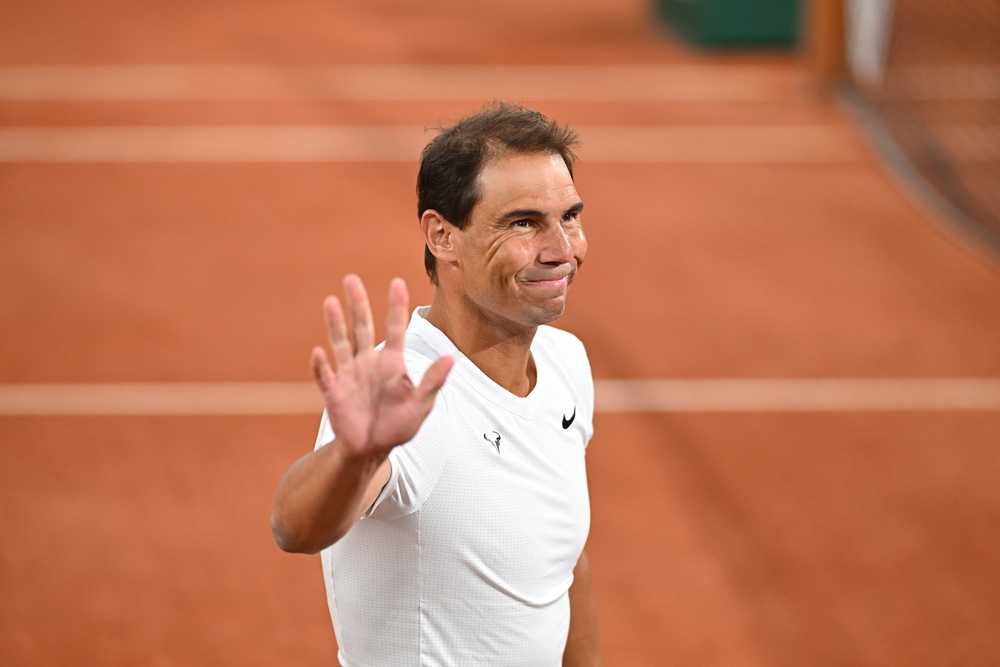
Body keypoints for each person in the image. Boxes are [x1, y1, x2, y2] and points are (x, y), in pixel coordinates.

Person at [271, 101, 602, 667]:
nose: (562, 250)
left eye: (568, 217)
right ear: (442, 236)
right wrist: (355, 455)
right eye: (524, 223)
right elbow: (296, 527)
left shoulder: (565, 360)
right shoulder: (409, 396)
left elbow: (564, 564)